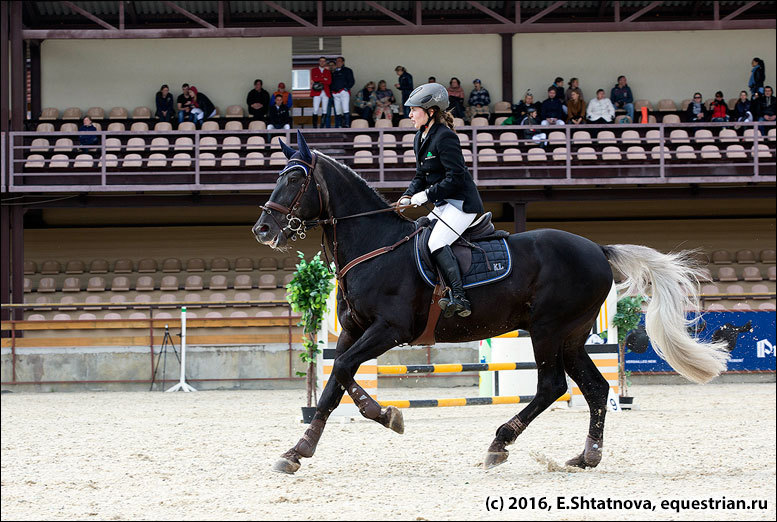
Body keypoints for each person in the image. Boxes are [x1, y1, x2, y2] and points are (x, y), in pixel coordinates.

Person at [397, 83, 484, 318]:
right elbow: (420, 176)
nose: (410, 115)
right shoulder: (419, 137)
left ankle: (460, 297)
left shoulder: (445, 137)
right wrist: (407, 195)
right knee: (421, 231)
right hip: (444, 205)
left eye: (414, 110)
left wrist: (425, 195)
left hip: (463, 205)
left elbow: (456, 178)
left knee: (436, 243)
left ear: (431, 111)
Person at [330, 56, 355, 128]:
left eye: (339, 61)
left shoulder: (348, 70)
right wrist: (332, 90)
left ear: (343, 62)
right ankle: (340, 125)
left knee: (345, 108)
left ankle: (347, 125)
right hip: (335, 93)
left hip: (343, 92)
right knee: (338, 110)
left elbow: (352, 81)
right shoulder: (334, 71)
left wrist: (346, 88)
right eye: (337, 61)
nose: (338, 62)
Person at [310, 56, 332, 128]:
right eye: (321, 61)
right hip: (317, 91)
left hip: (325, 92)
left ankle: (322, 126)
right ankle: (315, 127)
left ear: (325, 62)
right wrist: (324, 79)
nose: (322, 62)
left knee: (324, 110)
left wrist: (319, 79)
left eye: (324, 61)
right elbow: (314, 78)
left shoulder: (328, 71)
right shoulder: (314, 70)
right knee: (315, 109)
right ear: (319, 62)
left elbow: (329, 82)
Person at [323, 60, 337, 128]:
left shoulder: (337, 74)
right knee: (327, 113)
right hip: (328, 95)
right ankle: (328, 128)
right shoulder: (326, 73)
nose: (331, 66)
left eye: (332, 65)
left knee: (337, 112)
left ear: (335, 66)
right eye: (329, 65)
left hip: (336, 95)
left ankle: (337, 127)